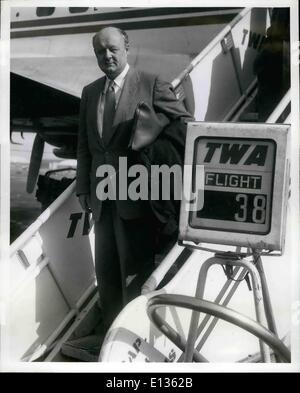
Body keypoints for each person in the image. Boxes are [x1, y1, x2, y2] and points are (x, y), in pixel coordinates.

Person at [76, 27, 192, 336]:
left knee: (134, 271)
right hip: (102, 198)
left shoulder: (152, 84)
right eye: (100, 51)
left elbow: (184, 129)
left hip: (138, 195)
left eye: (112, 48)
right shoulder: (89, 92)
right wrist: (83, 188)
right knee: (107, 271)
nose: (107, 56)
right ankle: (112, 334)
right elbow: (85, 146)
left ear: (127, 47)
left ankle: (135, 334)